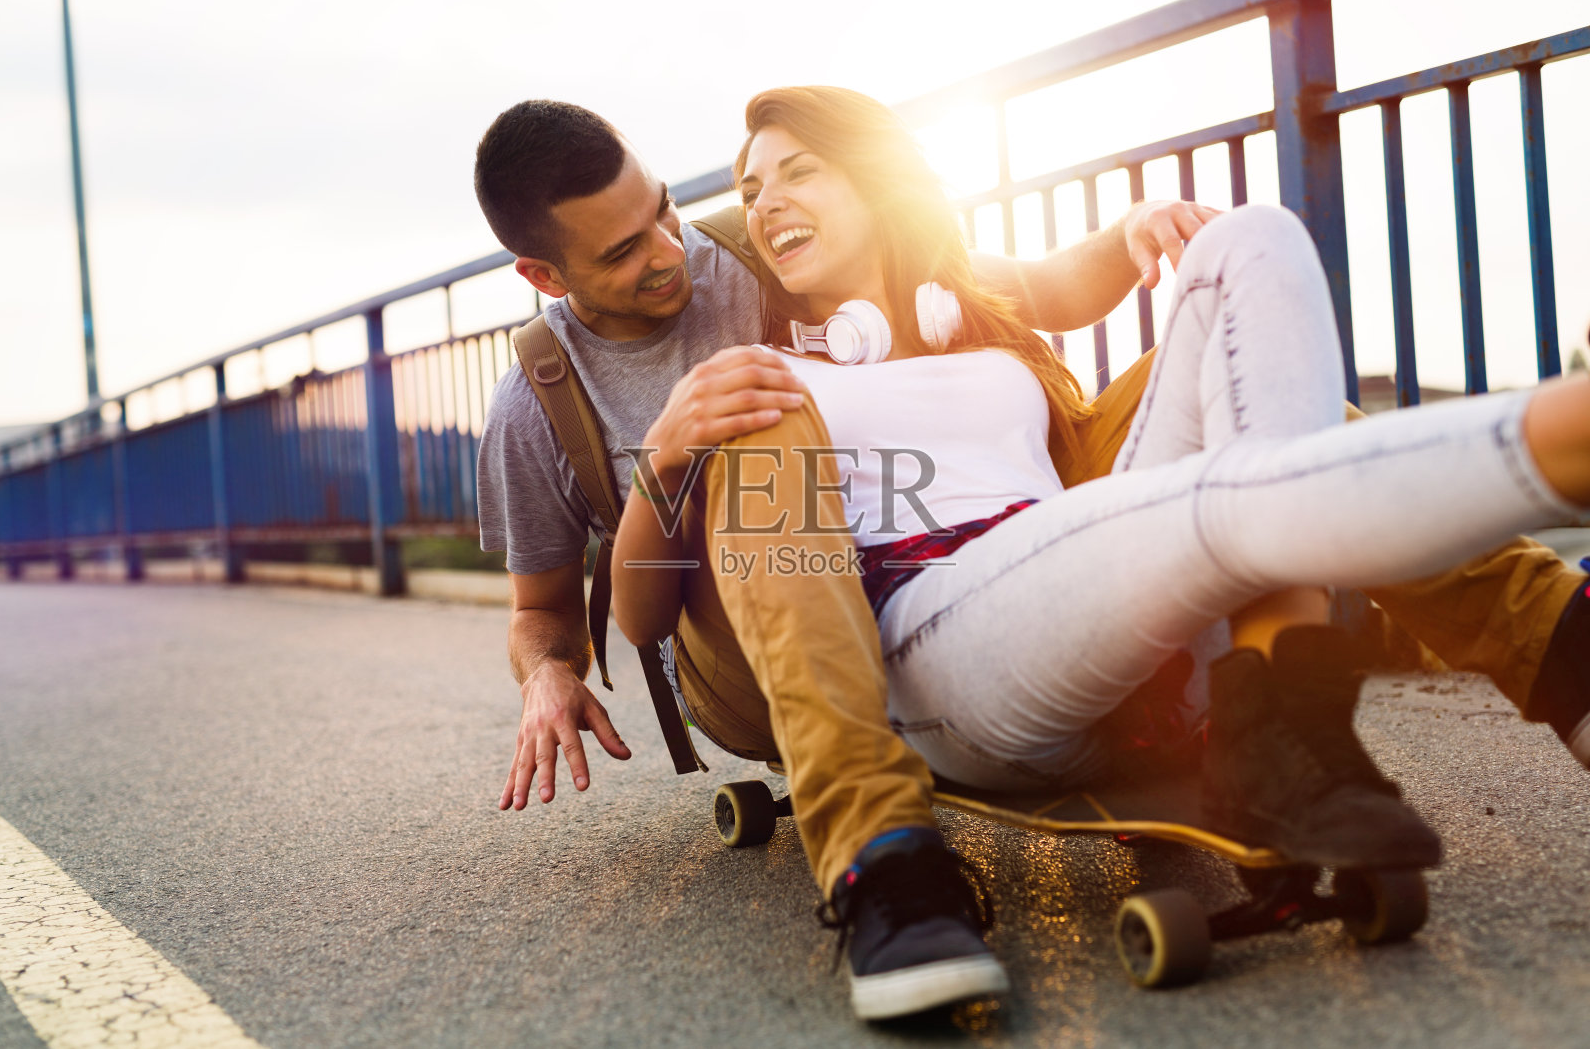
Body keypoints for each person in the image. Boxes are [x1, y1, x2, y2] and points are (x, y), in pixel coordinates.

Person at [472, 97, 1589, 1019]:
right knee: (753, 422)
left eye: (674, 211)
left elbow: (1044, 281)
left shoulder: (792, 261)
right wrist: (550, 666)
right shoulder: (541, 401)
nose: (678, 249)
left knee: (1245, 250)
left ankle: (1403, 676)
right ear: (546, 276)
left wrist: (1138, 232)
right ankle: (879, 857)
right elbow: (578, 616)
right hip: (757, 631)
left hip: (1043, 574)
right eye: (625, 250)